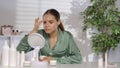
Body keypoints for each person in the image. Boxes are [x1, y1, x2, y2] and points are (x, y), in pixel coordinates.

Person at [17, 9, 82, 64]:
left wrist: (53, 60)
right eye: (44, 22)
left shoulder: (67, 36)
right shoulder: (39, 35)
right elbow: (20, 50)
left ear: (58, 22)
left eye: (51, 22)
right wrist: (33, 31)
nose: (46, 25)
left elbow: (78, 58)